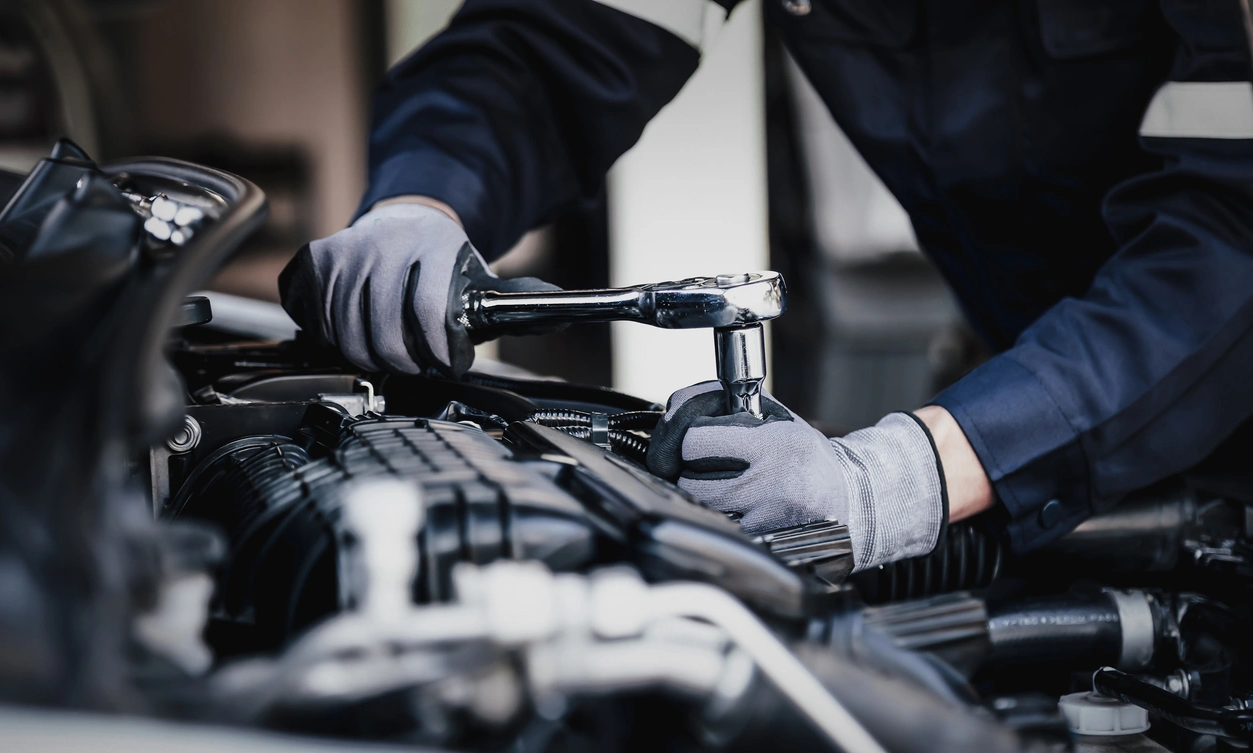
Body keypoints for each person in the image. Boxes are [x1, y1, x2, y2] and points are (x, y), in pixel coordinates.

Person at [280, 0, 1253, 573]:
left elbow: (1234, 234)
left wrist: (916, 473)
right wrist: (424, 198)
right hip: (1044, 399)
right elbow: (548, 48)